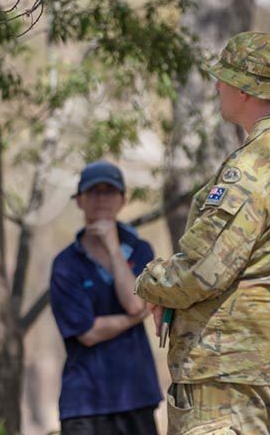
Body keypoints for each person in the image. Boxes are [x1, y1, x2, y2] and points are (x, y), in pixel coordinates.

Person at [135, 31, 270, 435]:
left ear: (246, 89)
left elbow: (203, 271)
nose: (217, 86)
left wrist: (152, 284)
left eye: (224, 77)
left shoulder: (256, 165)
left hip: (231, 383)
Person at [49, 161, 162, 435]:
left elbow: (135, 301)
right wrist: (136, 317)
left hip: (137, 394)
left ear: (123, 199)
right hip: (85, 402)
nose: (102, 198)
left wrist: (112, 248)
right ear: (79, 200)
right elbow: (87, 332)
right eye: (93, 192)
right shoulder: (65, 264)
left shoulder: (140, 251)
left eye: (109, 191)